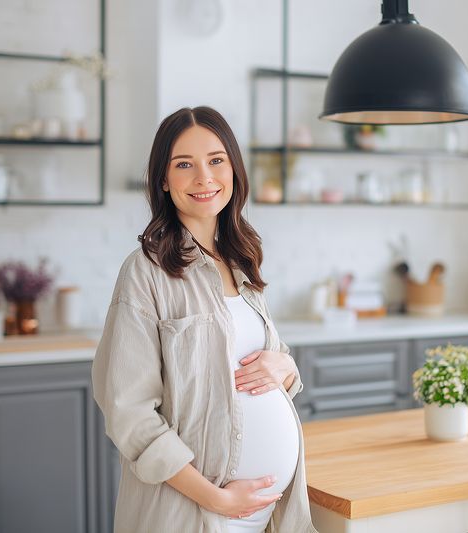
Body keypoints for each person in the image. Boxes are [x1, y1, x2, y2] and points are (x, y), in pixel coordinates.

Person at [92, 106, 319, 533]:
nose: (204, 177)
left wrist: (287, 368)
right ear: (163, 179)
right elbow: (129, 413)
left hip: (265, 515)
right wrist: (217, 498)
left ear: (233, 168)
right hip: (194, 513)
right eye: (184, 165)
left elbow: (268, 361)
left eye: (216, 160)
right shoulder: (146, 271)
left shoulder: (241, 260)